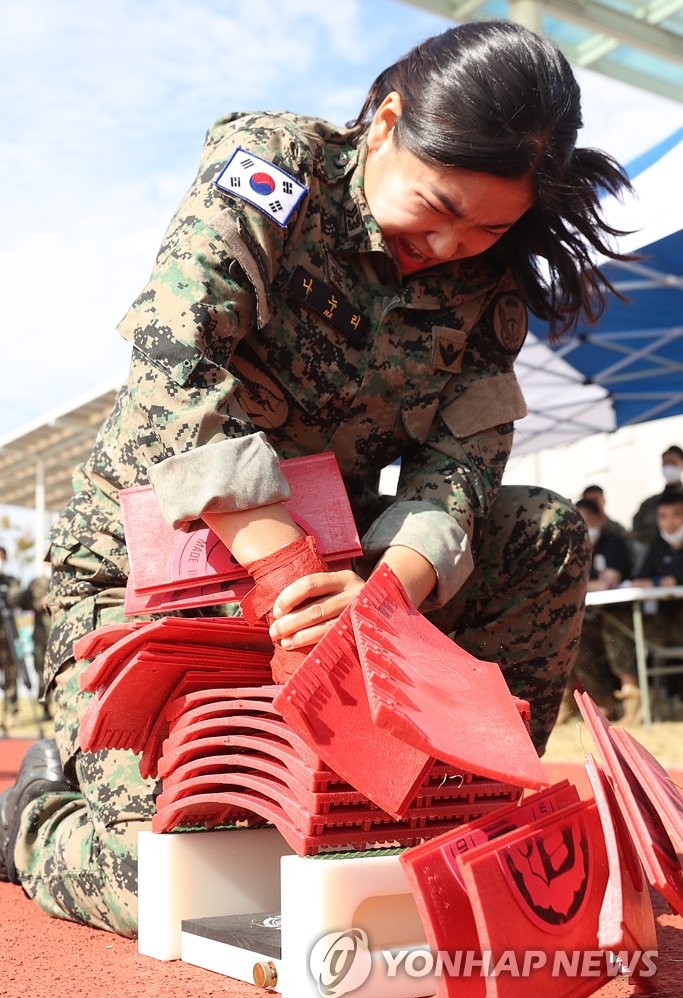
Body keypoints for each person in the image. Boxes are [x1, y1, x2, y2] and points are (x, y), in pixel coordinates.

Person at [0, 21, 633, 935]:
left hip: (339, 585)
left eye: (488, 224)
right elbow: (176, 365)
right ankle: (35, 820)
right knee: (200, 889)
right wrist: (291, 576)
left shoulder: (487, 283)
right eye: (435, 204)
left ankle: (463, 816)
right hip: (162, 580)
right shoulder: (272, 170)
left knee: (542, 528)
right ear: (383, 125)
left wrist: (379, 598)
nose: (449, 244)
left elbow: (463, 464)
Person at [605, 491, 683, 722]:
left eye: (677, 515)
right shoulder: (658, 546)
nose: (670, 522)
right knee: (615, 622)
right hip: (664, 623)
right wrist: (662, 581)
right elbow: (640, 578)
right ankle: (633, 694)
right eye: (664, 516)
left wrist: (667, 580)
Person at [565, 497, 631, 720]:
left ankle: (632, 698)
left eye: (589, 520)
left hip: (617, 616)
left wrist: (586, 583)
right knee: (575, 643)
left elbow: (608, 581)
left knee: (618, 639)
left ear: (600, 520)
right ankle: (604, 702)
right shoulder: (571, 548)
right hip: (587, 618)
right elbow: (564, 582)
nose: (585, 526)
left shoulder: (614, 543)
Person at [631, 445, 683, 550]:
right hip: (655, 557)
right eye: (665, 464)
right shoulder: (648, 504)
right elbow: (636, 532)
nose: (668, 468)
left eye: (672, 463)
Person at [18, 569, 53, 720]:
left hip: (60, 635)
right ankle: (45, 708)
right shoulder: (36, 583)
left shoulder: (66, 578)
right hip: (41, 638)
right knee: (41, 673)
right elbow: (24, 603)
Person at [0, 546, 21, 728]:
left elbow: (16, 598)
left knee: (11, 675)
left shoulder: (11, 581)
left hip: (8, 636)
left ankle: (11, 713)